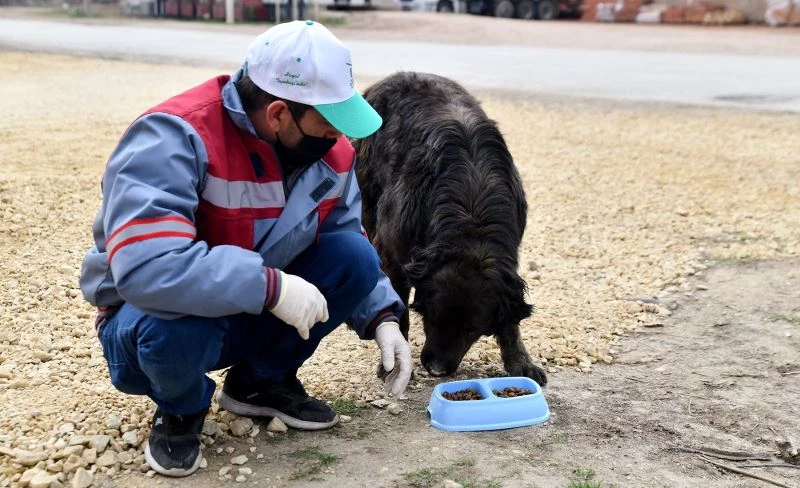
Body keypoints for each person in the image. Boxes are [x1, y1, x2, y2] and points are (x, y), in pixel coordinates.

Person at [79, 20, 412, 478]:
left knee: (353, 257)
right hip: (149, 320)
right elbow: (148, 268)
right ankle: (181, 407)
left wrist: (382, 316)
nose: (338, 137)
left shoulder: (330, 155)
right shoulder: (173, 137)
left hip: (245, 307)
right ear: (278, 114)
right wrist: (271, 287)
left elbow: (345, 234)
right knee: (170, 328)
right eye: (328, 123)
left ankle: (258, 383)